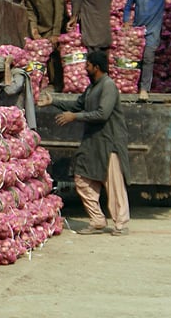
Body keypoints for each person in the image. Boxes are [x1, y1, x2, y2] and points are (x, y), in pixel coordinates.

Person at [36, 51, 130, 236]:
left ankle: (121, 224)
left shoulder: (108, 86)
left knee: (113, 185)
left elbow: (102, 114)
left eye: (87, 65)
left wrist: (74, 117)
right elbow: (77, 105)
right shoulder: (92, 88)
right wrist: (54, 102)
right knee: (82, 178)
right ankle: (97, 221)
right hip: (93, 142)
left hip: (110, 143)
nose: (85, 68)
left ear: (96, 67)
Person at [123, 0, 171, 101]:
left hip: (153, 32)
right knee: (134, 60)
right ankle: (131, 85)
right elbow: (128, 7)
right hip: (137, 31)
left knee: (148, 58)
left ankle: (144, 89)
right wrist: (126, 21)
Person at [20, 0, 67, 91]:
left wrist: (56, 33)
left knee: (56, 55)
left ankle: (58, 84)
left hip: (56, 22)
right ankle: (39, 84)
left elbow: (59, 7)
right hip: (41, 23)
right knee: (37, 55)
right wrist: (33, 28)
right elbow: (29, 6)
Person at [0, 53, 36, 130]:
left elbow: (10, 90)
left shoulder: (18, 75)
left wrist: (7, 66)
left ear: (1, 72)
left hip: (16, 121)